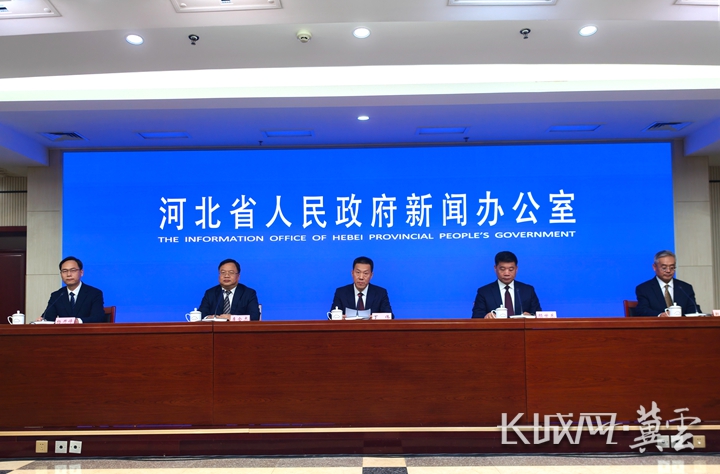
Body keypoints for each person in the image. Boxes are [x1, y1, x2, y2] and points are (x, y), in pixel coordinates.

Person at [472, 251, 541, 318]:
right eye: (502, 269)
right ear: (495, 268)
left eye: (511, 269)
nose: (507, 273)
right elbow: (476, 318)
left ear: (516, 269)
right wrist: (486, 317)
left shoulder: (528, 290)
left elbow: (538, 315)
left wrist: (531, 316)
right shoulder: (484, 292)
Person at [39, 256, 106, 323]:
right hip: (64, 330)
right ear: (61, 274)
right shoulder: (57, 295)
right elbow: (48, 317)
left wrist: (78, 321)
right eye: (64, 271)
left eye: (73, 270)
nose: (68, 274)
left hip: (86, 329)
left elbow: (98, 317)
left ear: (81, 272)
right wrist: (42, 320)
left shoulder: (94, 293)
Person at [634, 250, 701, 317]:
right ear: (654, 267)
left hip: (681, 323)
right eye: (664, 268)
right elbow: (642, 310)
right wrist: (660, 315)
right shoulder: (644, 289)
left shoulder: (685, 288)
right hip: (658, 323)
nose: (668, 271)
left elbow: (694, 310)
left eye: (672, 267)